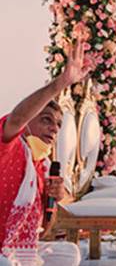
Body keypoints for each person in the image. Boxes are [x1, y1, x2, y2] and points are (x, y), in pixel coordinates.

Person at [0, 39, 89, 266]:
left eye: (58, 124)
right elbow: (17, 117)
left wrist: (58, 196)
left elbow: (45, 228)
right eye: (47, 120)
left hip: (18, 249)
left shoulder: (43, 165)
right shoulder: (9, 146)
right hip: (3, 251)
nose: (54, 128)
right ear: (28, 122)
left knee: (70, 254)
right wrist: (60, 84)